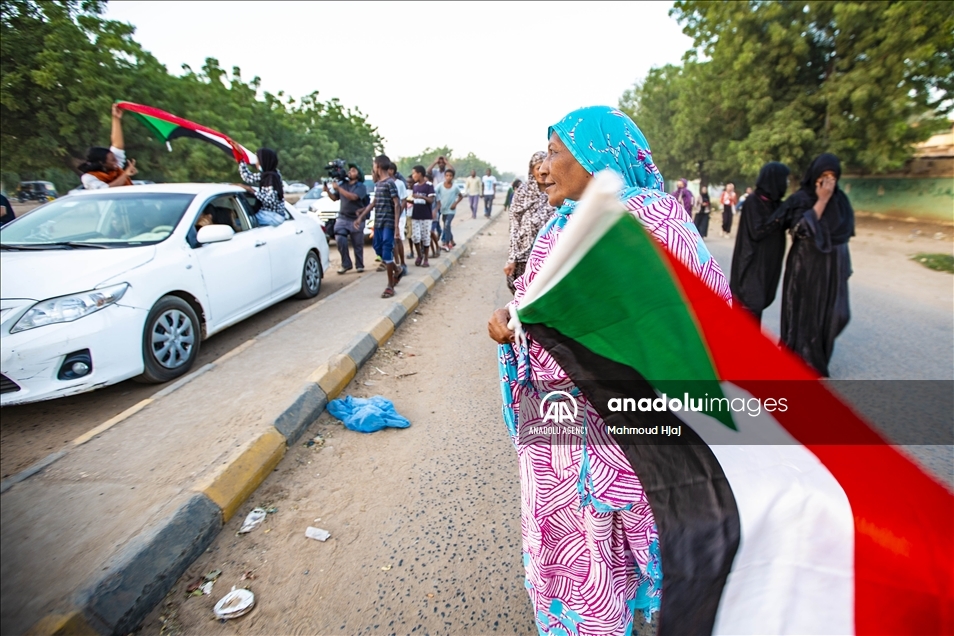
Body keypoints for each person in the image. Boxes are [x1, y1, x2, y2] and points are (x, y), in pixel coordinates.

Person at [487, 106, 730, 636]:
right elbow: (537, 308)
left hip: (629, 424)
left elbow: (709, 314)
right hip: (559, 425)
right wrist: (511, 323)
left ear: (597, 158)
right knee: (578, 553)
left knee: (649, 536)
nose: (542, 169)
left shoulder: (654, 219)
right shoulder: (558, 227)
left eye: (554, 154)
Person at [779, 153, 854, 377]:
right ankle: (800, 362)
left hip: (832, 267)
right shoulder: (802, 198)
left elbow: (844, 236)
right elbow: (800, 230)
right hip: (805, 265)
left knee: (837, 315)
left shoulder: (841, 202)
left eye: (833, 177)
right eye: (823, 176)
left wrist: (844, 268)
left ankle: (817, 357)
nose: (828, 183)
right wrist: (821, 200)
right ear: (814, 177)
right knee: (804, 315)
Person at [729, 162, 790, 322]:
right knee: (749, 313)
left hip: (766, 268)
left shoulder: (776, 204)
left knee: (756, 311)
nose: (787, 183)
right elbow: (758, 231)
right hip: (751, 267)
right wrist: (778, 217)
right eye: (784, 179)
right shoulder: (753, 202)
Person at [504, 151, 553, 294]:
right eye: (538, 168)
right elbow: (514, 226)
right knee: (523, 295)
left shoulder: (558, 192)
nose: (543, 172)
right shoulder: (522, 192)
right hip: (523, 257)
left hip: (548, 258)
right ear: (532, 170)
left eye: (547, 167)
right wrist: (512, 258)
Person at [355, 155, 402, 298]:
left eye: (374, 165)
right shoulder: (379, 184)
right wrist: (361, 216)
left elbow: (397, 204)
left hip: (388, 223)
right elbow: (374, 203)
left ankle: (390, 285)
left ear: (378, 166)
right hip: (379, 223)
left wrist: (396, 226)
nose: (373, 168)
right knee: (378, 248)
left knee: (387, 251)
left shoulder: (390, 183)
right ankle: (397, 269)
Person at [79, 104, 138, 189]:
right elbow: (106, 190)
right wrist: (125, 174)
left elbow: (117, 144)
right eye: (113, 160)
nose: (117, 161)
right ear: (101, 163)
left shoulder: (115, 170)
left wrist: (116, 118)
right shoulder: (89, 178)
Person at [324, 163, 368, 274]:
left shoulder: (361, 187)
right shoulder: (343, 184)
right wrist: (328, 191)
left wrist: (338, 188)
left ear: (358, 174)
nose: (350, 172)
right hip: (343, 218)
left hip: (356, 219)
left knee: (357, 244)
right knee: (340, 239)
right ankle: (346, 264)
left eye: (353, 170)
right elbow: (334, 198)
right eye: (350, 170)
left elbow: (353, 197)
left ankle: (359, 265)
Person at [237, 148, 286, 227]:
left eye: (258, 160)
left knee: (239, 223)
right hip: (271, 214)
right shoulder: (270, 175)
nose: (256, 163)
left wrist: (253, 192)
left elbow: (270, 200)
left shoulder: (271, 177)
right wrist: (241, 158)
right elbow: (247, 177)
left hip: (272, 215)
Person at [409, 165, 435, 267]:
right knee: (415, 236)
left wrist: (420, 196)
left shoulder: (429, 185)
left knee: (425, 236)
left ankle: (426, 259)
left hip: (426, 216)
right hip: (416, 215)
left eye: (414, 173)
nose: (413, 175)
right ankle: (419, 255)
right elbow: (414, 200)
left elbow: (430, 200)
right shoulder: (415, 186)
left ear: (419, 173)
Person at [435, 168, 463, 250]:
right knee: (446, 226)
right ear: (444, 176)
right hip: (443, 209)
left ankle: (446, 243)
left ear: (453, 177)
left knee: (447, 224)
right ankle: (451, 239)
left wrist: (455, 203)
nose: (448, 177)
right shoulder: (440, 186)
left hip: (451, 210)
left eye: (450, 176)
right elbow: (434, 193)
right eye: (447, 175)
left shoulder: (455, 187)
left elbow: (461, 196)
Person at [388, 162, 408, 277]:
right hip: (389, 215)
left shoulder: (399, 184)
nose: (389, 172)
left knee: (397, 239)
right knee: (392, 241)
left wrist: (399, 213)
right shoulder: (385, 183)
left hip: (400, 215)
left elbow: (404, 200)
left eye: (390, 170)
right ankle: (397, 263)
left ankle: (402, 262)